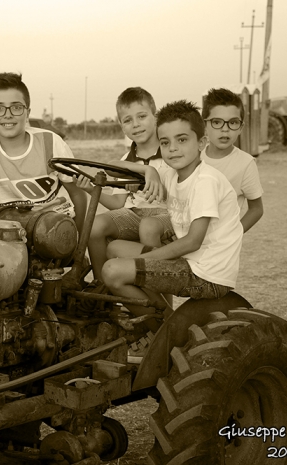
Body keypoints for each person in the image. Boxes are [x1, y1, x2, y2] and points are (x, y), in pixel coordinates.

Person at [102, 100, 243, 327]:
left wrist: (142, 260)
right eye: (165, 143)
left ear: (202, 142)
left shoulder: (205, 181)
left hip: (206, 274)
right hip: (191, 262)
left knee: (112, 271)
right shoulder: (172, 174)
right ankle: (162, 314)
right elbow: (110, 165)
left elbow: (193, 241)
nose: (173, 148)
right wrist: (148, 169)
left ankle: (167, 329)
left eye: (182, 140)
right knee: (113, 248)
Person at [0, 73, 88, 232]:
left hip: (53, 230)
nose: (8, 115)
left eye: (16, 107)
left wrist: (76, 239)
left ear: (27, 112)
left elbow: (78, 194)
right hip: (5, 235)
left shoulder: (51, 143)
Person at [75, 87, 171, 284]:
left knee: (148, 226)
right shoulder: (126, 160)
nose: (135, 125)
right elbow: (118, 204)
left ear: (155, 116)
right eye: (128, 120)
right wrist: (91, 190)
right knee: (94, 224)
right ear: (122, 126)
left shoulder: (170, 152)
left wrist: (152, 174)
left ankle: (156, 294)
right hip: (133, 214)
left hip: (165, 216)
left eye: (142, 116)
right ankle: (103, 284)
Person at [201, 88, 264, 232]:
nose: (225, 129)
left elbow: (257, 209)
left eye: (233, 122)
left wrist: (233, 234)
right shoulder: (194, 157)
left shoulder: (245, 164)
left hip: (222, 250)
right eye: (217, 122)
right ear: (204, 125)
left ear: (241, 127)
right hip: (189, 242)